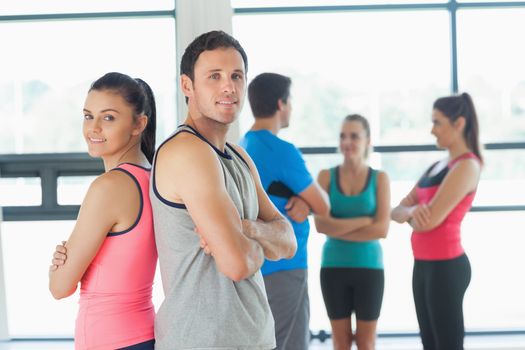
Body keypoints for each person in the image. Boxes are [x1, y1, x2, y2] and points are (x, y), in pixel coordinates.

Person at [150, 30, 296, 349]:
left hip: (256, 338)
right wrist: (262, 239)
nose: (228, 86)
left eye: (236, 76)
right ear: (186, 85)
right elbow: (238, 264)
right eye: (214, 76)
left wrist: (245, 229)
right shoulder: (187, 151)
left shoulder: (239, 155)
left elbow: (289, 242)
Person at [48, 72, 158, 350]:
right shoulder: (153, 175)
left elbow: (60, 287)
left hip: (110, 340)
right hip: (144, 334)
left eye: (108, 118)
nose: (93, 128)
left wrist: (59, 265)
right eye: (88, 116)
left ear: (138, 124)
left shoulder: (109, 187)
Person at [239, 72, 330, 350]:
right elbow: (324, 204)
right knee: (290, 342)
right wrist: (307, 201)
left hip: (255, 265)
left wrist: (301, 200)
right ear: (281, 104)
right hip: (285, 265)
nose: (291, 108)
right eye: (289, 101)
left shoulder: (243, 146)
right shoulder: (281, 150)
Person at [391, 93, 482, 350]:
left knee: (447, 345)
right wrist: (411, 212)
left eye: (437, 122)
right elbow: (395, 211)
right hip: (423, 266)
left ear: (459, 123)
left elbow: (427, 222)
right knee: (429, 344)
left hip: (447, 268)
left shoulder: (467, 166)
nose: (432, 130)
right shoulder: (436, 166)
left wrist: (411, 212)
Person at [314, 114, 390, 350]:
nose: (347, 142)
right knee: (341, 342)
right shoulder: (326, 176)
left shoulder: (380, 178)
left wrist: (338, 228)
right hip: (333, 268)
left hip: (369, 269)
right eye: (343, 136)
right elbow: (321, 225)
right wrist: (363, 221)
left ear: (367, 141)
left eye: (354, 136)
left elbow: (381, 229)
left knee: (366, 343)